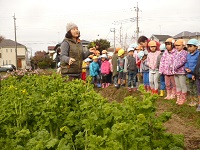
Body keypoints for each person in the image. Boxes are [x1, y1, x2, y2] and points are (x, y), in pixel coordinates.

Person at [185, 39, 200, 106]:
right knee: (190, 88)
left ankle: (197, 101)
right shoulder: (188, 55)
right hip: (189, 74)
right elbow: (186, 62)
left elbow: (197, 65)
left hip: (195, 74)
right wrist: (186, 68)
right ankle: (192, 100)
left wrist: (193, 71)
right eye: (188, 46)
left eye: (191, 46)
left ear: (196, 46)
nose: (189, 48)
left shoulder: (198, 54)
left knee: (196, 88)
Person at [173, 39, 188, 105]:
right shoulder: (175, 52)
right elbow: (172, 60)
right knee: (177, 85)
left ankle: (183, 98)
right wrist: (172, 67)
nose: (177, 47)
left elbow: (182, 61)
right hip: (175, 72)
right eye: (176, 45)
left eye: (179, 45)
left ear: (183, 45)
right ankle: (178, 97)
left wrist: (175, 66)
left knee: (182, 85)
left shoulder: (184, 53)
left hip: (181, 71)